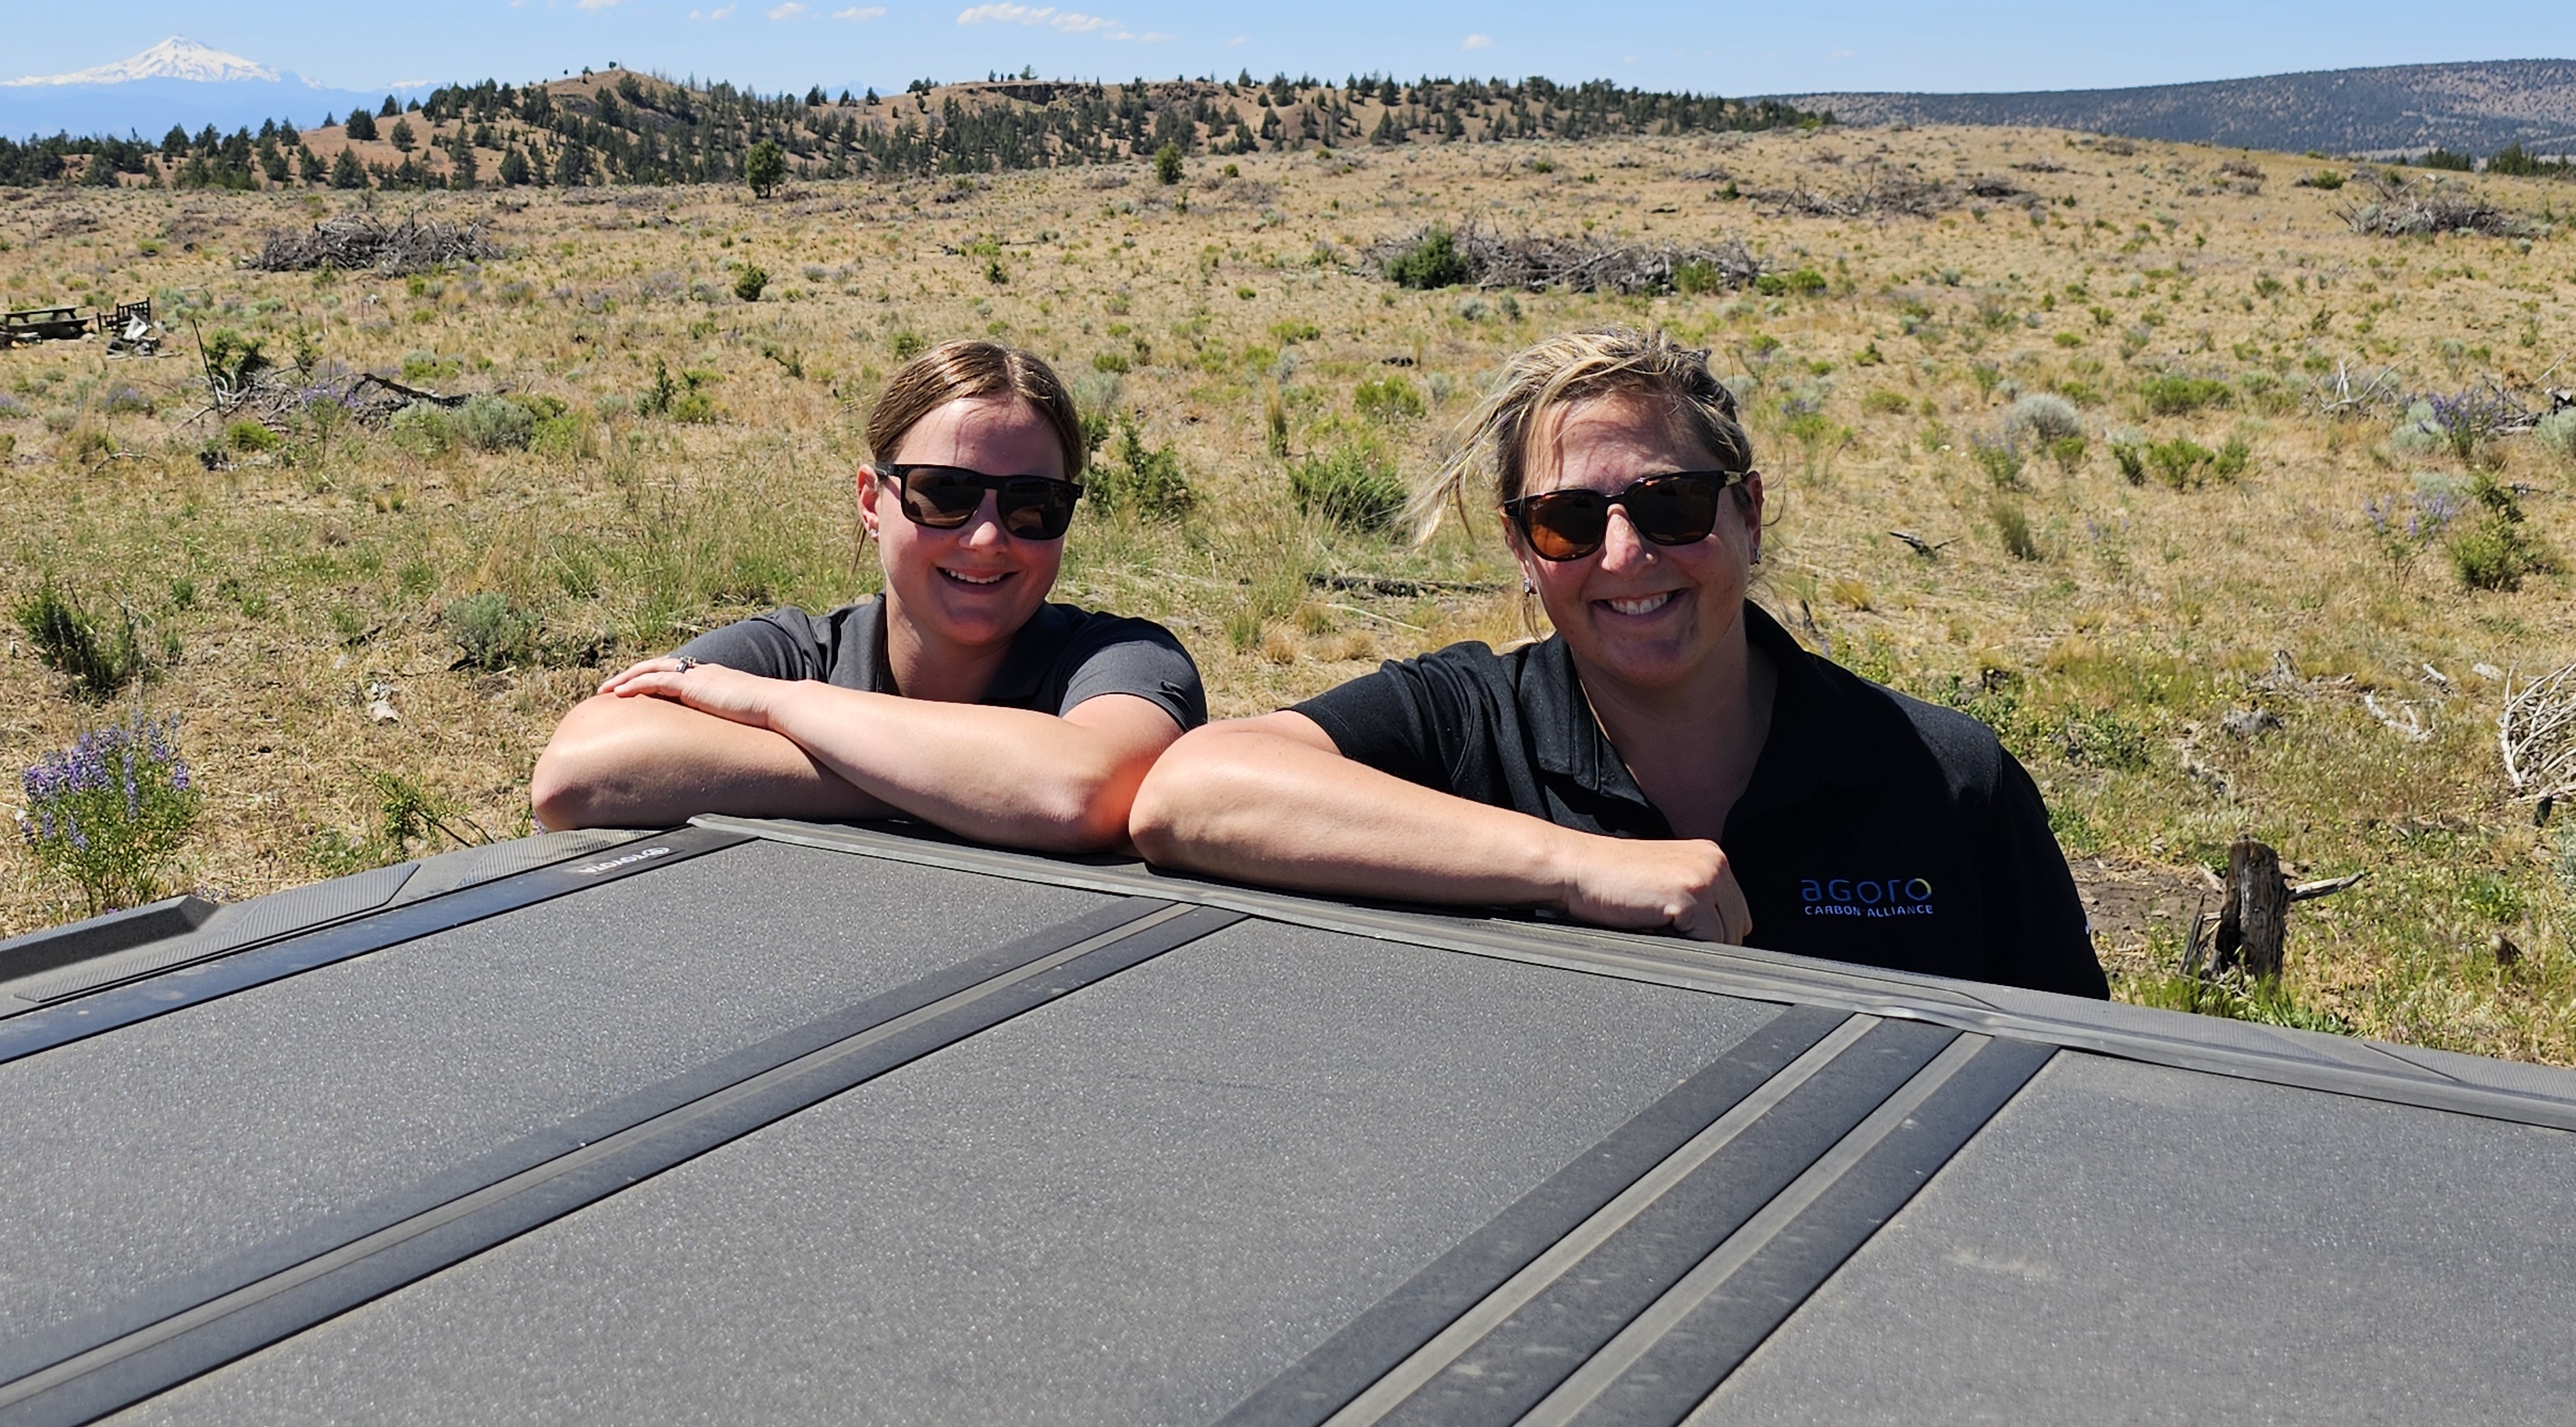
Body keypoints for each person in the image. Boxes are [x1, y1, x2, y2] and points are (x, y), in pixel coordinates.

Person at [1128, 330, 2106, 996]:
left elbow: (2073, 1080)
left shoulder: (1943, 780)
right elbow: (1188, 793)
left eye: (1670, 504)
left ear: (1748, 512)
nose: (1625, 556)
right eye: (1566, 521)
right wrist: (1574, 868)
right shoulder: (1469, 725)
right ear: (1520, 547)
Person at [531, 341, 1205, 850]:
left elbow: (1083, 788)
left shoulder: (1125, 659)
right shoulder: (802, 648)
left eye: (1034, 504)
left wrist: (784, 707)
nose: (986, 537)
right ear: (871, 501)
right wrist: (967, 787)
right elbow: (579, 772)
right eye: (944, 494)